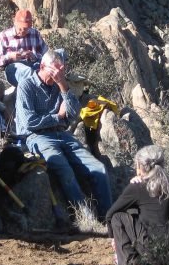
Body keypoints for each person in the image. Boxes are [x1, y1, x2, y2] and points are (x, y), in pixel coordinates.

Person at [15, 50, 112, 219]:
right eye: (56, 70)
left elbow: (74, 114)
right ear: (43, 67)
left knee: (99, 168)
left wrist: (63, 86)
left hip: (63, 134)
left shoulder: (61, 86)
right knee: (64, 170)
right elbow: (29, 122)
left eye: (62, 70)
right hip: (37, 137)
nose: (59, 74)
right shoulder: (27, 86)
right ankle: (86, 217)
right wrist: (58, 117)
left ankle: (109, 217)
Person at [106, 145, 169, 265]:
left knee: (118, 217)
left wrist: (114, 239)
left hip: (153, 254)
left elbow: (110, 214)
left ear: (140, 166)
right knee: (136, 212)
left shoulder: (138, 186)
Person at [0, 9, 48, 87]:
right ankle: (40, 90)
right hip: (14, 69)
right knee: (27, 71)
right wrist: (9, 56)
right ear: (15, 23)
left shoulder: (35, 33)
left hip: (34, 65)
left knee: (60, 53)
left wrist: (34, 56)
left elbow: (46, 54)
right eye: (20, 28)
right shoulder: (4, 36)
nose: (23, 31)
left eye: (26, 28)